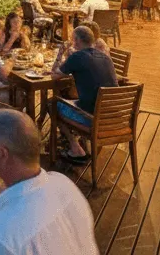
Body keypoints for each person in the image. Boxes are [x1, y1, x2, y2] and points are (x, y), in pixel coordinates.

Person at [0, 110, 99, 255]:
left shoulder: (1, 234)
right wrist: (6, 194)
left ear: (2, 154)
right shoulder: (64, 184)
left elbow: (10, 235)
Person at [51, 26, 118, 162]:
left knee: (52, 103)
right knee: (75, 99)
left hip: (92, 119)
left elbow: (54, 76)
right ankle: (76, 139)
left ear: (76, 41)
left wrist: (61, 52)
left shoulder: (77, 57)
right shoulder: (105, 57)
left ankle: (75, 148)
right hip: (114, 116)